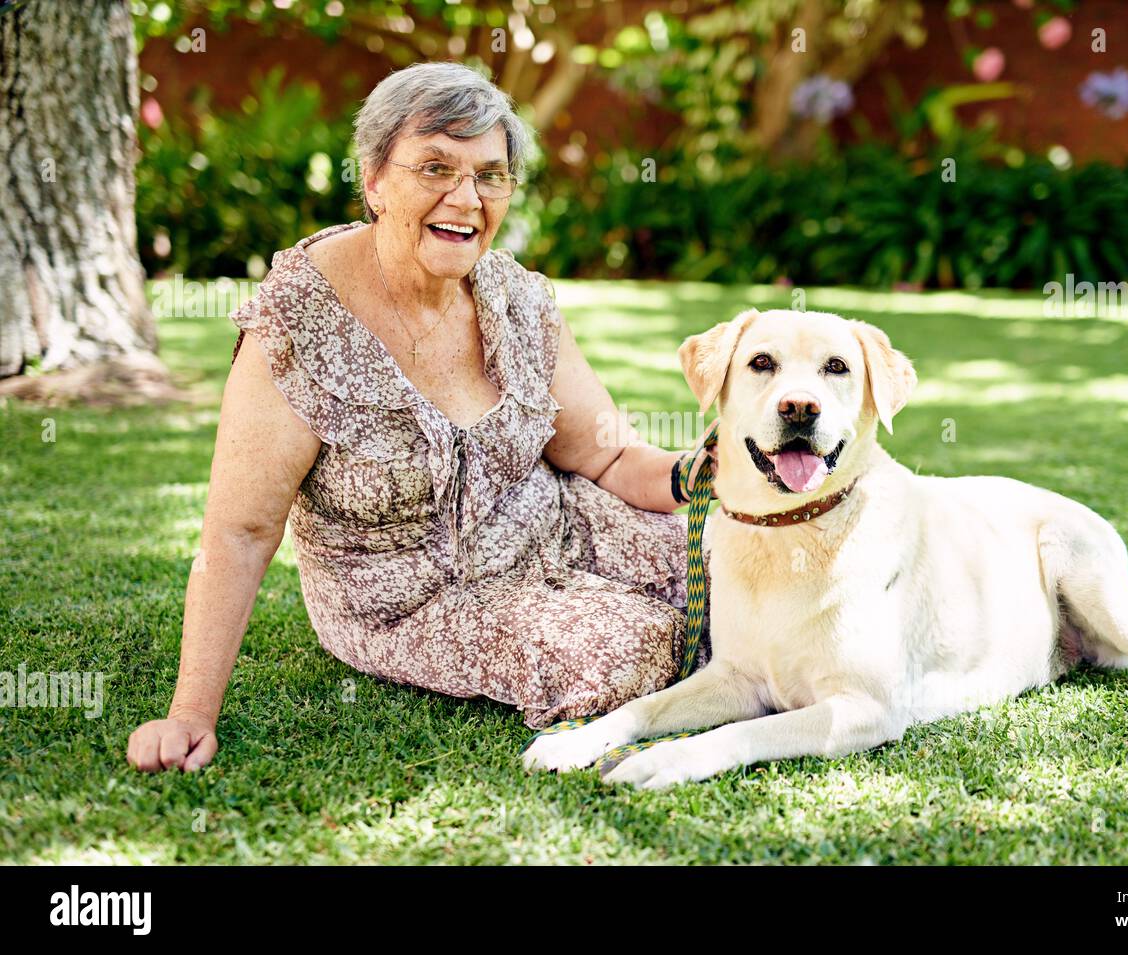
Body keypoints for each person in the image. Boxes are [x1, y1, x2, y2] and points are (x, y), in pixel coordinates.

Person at [127, 61, 715, 773]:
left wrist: (696, 472)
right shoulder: (301, 321)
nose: (465, 198)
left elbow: (607, 457)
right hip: (413, 596)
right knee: (630, 645)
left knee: (730, 559)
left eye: (490, 175)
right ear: (374, 180)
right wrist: (189, 712)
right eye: (435, 166)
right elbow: (241, 530)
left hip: (556, 525)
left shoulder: (514, 298)